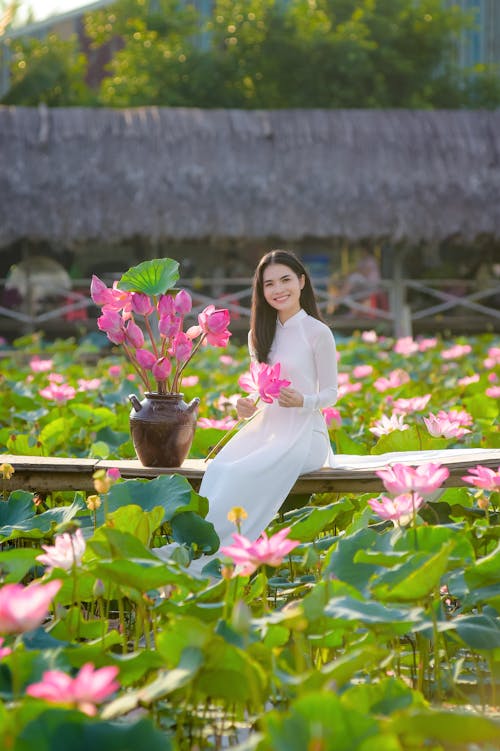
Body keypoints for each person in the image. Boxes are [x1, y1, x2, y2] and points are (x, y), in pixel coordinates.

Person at [157, 249, 338, 574]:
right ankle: (199, 545)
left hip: (306, 436)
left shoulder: (318, 333)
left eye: (285, 280)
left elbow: (331, 394)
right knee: (221, 468)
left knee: (246, 470)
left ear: (301, 281)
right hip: (268, 430)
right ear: (261, 291)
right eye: (269, 284)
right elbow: (260, 390)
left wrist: (304, 401)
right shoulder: (259, 335)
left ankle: (223, 556)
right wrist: (246, 405)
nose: (278, 289)